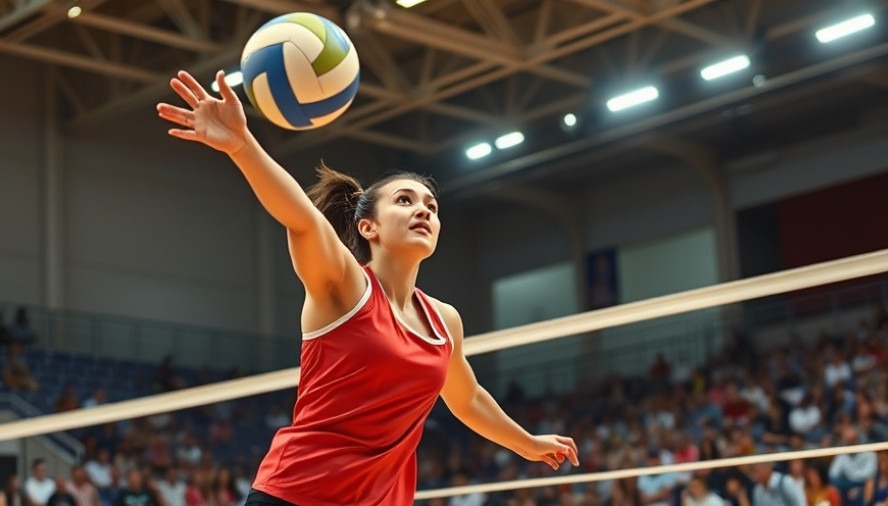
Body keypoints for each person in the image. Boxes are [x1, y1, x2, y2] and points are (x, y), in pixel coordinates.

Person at [156, 70, 579, 505]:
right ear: (367, 226)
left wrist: (526, 442)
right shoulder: (344, 284)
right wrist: (243, 147)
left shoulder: (443, 320)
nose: (423, 211)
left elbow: (467, 397)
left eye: (431, 206)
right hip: (297, 495)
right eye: (405, 200)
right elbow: (301, 218)